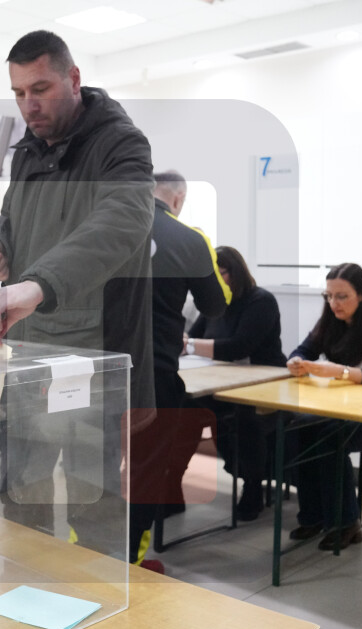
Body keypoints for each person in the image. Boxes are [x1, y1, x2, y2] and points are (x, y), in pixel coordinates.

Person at [0, 30, 154, 552]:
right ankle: (21, 590)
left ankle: (99, 600)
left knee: (92, 508)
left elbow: (122, 221)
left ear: (74, 79)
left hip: (92, 364)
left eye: (40, 89)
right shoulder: (27, 152)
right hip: (27, 359)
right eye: (18, 93)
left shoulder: (121, 143)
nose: (28, 105)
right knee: (20, 501)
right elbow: (13, 220)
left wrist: (38, 284)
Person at [128, 171, 230, 570]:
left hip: (95, 371)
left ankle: (86, 556)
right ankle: (130, 563)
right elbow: (216, 304)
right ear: (178, 199)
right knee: (146, 471)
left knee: (92, 467)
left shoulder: (106, 229)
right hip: (154, 375)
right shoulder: (189, 238)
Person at [286, 263, 362, 550]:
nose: (334, 303)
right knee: (300, 429)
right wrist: (296, 361)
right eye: (328, 296)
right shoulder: (329, 320)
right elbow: (303, 350)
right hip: (347, 407)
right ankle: (313, 516)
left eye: (342, 296)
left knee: (329, 436)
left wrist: (340, 372)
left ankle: (345, 523)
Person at [185, 246, 286, 521]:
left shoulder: (261, 301)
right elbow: (191, 336)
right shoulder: (215, 304)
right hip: (221, 379)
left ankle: (253, 485)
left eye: (221, 273)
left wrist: (190, 345)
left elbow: (238, 347)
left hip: (263, 382)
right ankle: (171, 482)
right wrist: (186, 343)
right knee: (184, 406)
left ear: (235, 271)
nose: (216, 280)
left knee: (244, 416)